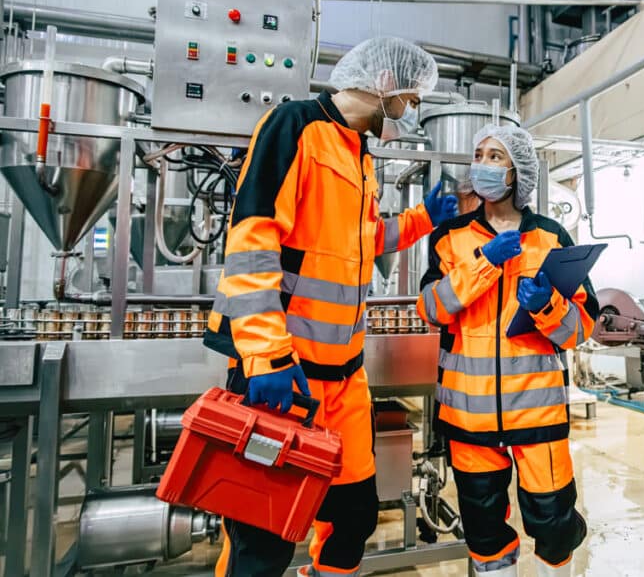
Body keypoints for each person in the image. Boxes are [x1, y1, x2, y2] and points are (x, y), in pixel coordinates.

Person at [203, 36, 457, 577]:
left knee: (353, 516)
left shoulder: (359, 152)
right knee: (262, 535)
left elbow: (362, 239)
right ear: (385, 85)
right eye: (411, 101)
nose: (409, 114)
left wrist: (422, 220)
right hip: (283, 376)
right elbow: (252, 240)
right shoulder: (294, 127)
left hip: (345, 379)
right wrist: (266, 356)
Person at [417, 124, 599, 576]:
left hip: (537, 412)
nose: (481, 163)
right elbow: (430, 309)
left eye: (494, 156)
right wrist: (484, 264)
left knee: (554, 522)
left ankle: (556, 566)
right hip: (469, 415)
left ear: (518, 172)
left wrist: (547, 307)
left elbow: (580, 328)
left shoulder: (552, 237)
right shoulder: (450, 238)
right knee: (483, 526)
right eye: (478, 154)